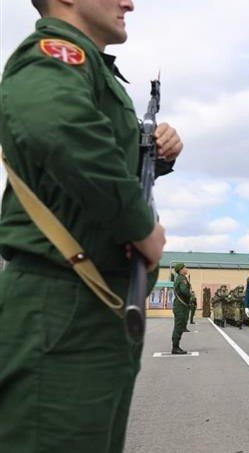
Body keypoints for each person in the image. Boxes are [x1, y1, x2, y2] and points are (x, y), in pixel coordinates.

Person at [0, 1, 183, 452]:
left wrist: (155, 157)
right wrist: (141, 225)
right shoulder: (54, 54)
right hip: (64, 303)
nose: (129, 3)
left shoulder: (92, 71)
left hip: (96, 302)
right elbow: (57, 129)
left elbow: (81, 173)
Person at [171, 263, 191, 354]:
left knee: (180, 326)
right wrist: (190, 294)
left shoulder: (180, 278)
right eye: (185, 267)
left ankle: (176, 346)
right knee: (178, 327)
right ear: (181, 270)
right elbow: (184, 291)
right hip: (180, 306)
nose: (186, 269)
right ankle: (175, 347)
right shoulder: (182, 278)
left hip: (180, 305)